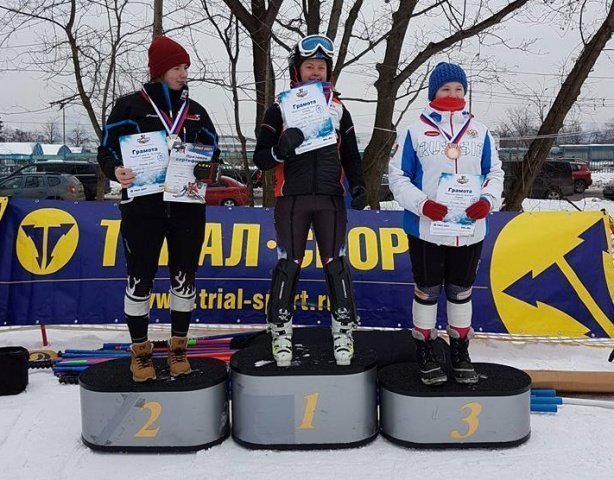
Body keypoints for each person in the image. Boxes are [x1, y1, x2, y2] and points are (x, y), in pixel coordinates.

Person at [97, 36, 220, 382]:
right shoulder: (129, 107)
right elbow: (106, 150)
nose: (183, 74)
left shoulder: (196, 111)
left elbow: (213, 153)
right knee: (140, 279)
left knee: (184, 277)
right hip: (142, 208)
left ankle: (178, 349)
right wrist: (115, 170)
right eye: (177, 67)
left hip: (186, 208)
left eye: (185, 68)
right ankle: (140, 352)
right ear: (160, 70)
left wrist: (206, 168)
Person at [253, 34, 368, 367]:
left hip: (331, 198)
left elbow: (351, 155)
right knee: (289, 263)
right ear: (297, 70)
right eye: (309, 67)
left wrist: (359, 185)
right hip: (292, 199)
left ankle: (343, 330)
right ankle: (280, 331)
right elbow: (261, 158)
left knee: (336, 263)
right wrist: (280, 149)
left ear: (328, 71)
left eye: (321, 67)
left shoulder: (339, 109)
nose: (315, 72)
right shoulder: (279, 108)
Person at [388, 62, 504, 385]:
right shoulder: (413, 131)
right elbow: (398, 177)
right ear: (433, 92)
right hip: (426, 227)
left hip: (468, 229)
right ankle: (425, 350)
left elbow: (495, 172)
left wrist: (487, 200)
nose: (452, 93)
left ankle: (459, 352)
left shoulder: (480, 132)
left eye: (458, 88)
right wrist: (423, 205)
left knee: (460, 291)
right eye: (445, 88)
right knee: (427, 291)